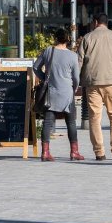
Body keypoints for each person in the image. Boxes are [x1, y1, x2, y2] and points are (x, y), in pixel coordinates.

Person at [78, 13, 112, 161]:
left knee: (95, 118)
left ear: (95, 22)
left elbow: (79, 62)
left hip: (92, 83)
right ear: (106, 23)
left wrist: (78, 80)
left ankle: (99, 153)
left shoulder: (87, 38)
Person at [32, 28, 82, 162]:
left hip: (51, 92)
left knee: (47, 122)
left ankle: (45, 152)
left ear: (56, 38)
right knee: (71, 122)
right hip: (67, 93)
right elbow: (76, 77)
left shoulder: (49, 51)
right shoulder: (72, 56)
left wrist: (44, 78)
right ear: (67, 40)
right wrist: (74, 88)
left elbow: (36, 67)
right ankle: (74, 152)